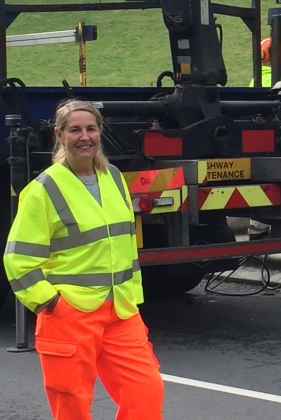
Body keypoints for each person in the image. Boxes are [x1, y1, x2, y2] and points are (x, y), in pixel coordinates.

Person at [3, 99, 164, 420]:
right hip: (69, 316)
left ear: (101, 131)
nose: (84, 136)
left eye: (91, 128)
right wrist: (50, 303)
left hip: (120, 311)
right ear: (59, 135)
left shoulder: (114, 177)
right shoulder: (42, 190)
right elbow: (18, 259)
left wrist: (132, 294)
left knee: (146, 391)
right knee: (72, 404)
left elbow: (125, 242)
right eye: (74, 129)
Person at [248, 38, 281, 238]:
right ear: (268, 58)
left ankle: (260, 227)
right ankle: (261, 228)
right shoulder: (272, 81)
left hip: (260, 142)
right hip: (271, 141)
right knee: (271, 182)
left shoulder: (258, 79)